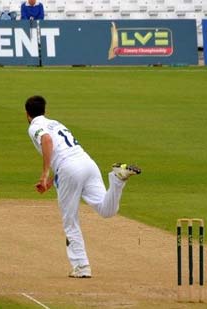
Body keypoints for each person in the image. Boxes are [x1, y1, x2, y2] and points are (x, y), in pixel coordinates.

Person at [25, 95, 140, 278]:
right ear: (45, 111)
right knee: (106, 210)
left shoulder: (34, 127)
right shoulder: (55, 123)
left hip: (69, 169)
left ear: (27, 114)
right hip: (87, 163)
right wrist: (51, 180)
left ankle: (81, 266)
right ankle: (117, 180)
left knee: (70, 220)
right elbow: (63, 153)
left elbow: (47, 141)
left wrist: (45, 174)